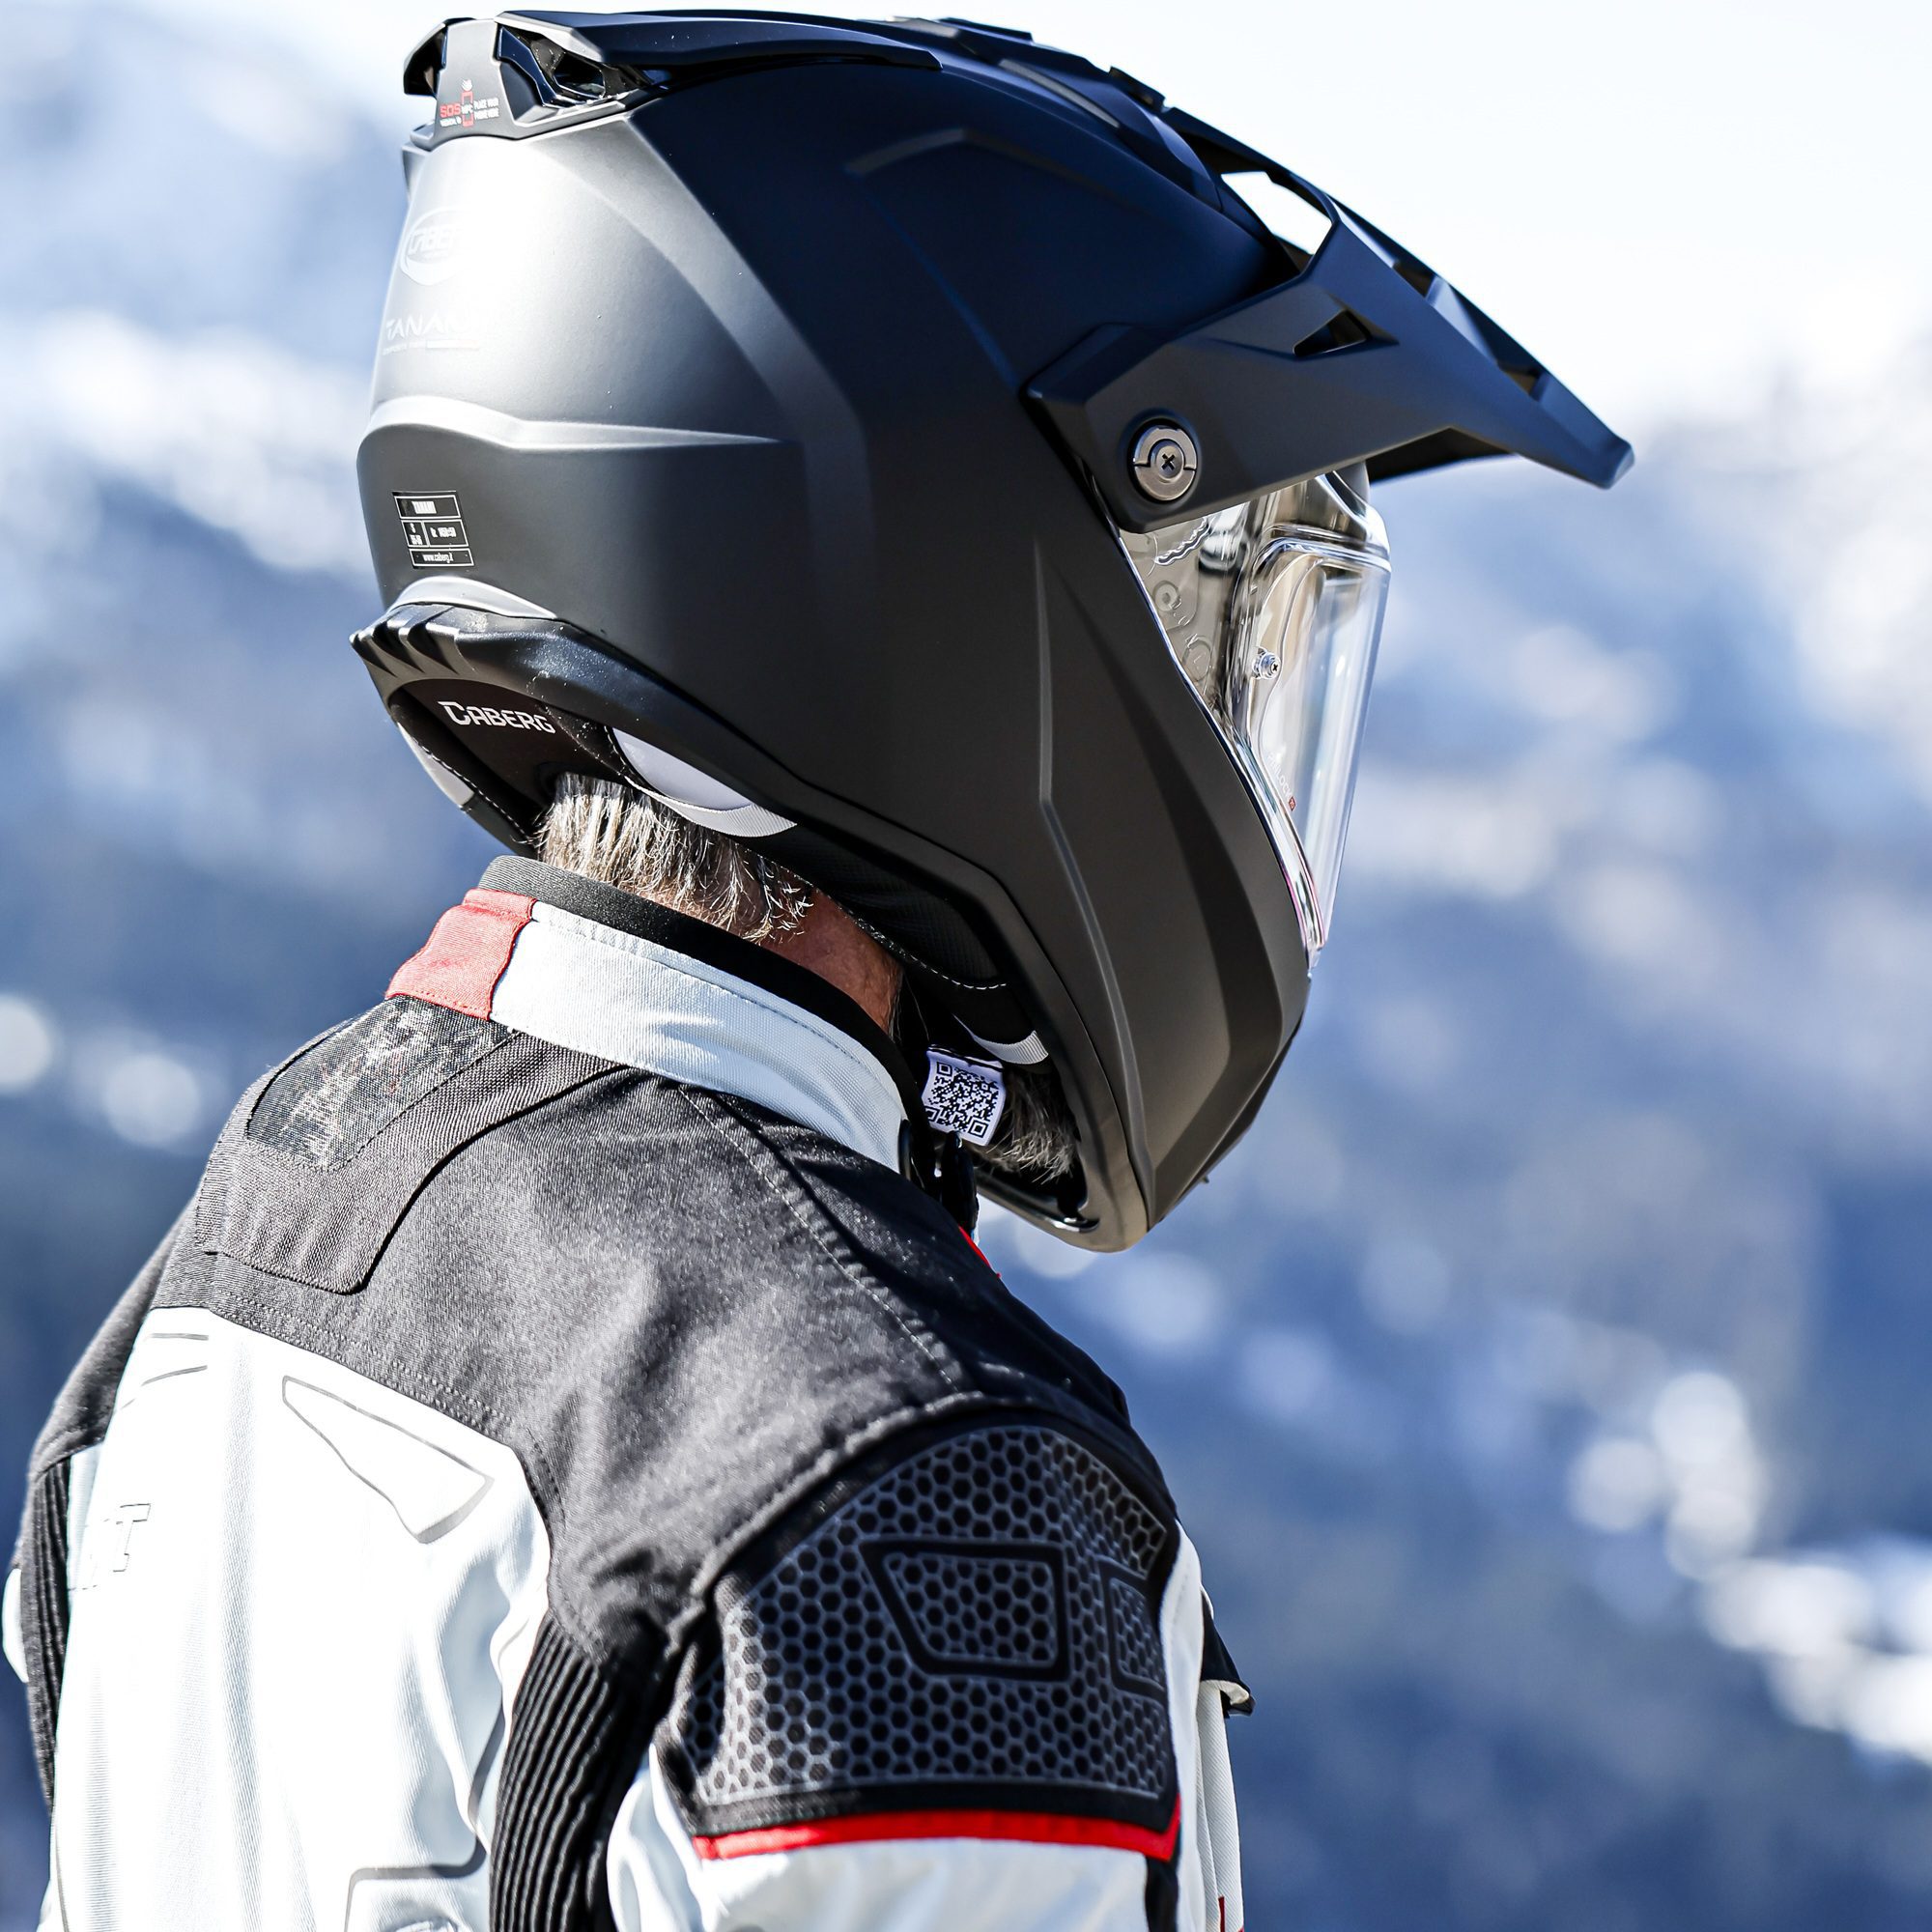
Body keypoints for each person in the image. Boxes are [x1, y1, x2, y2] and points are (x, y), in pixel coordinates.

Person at [5, 13, 1628, 1930]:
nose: (1230, 725)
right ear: (966, 592)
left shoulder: (265, 1221)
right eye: (1213, 612)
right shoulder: (889, 1478)